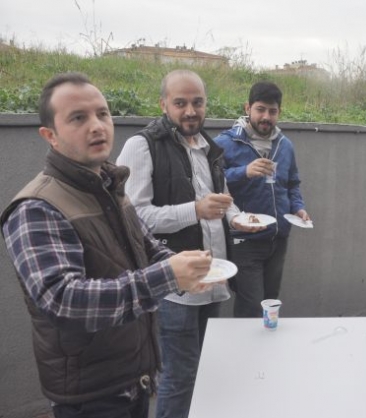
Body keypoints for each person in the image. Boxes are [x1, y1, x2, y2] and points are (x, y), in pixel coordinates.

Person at [0, 72, 213, 418]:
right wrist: (167, 276)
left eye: (102, 114)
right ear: (50, 136)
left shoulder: (109, 184)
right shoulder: (36, 208)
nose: (97, 126)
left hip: (134, 376)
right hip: (90, 395)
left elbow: (146, 247)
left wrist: (187, 268)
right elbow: (64, 301)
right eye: (78, 118)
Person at [116, 69, 261, 418]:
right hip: (174, 286)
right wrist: (195, 210)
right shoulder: (142, 146)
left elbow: (222, 197)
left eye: (197, 102)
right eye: (180, 103)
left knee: (202, 370)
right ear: (163, 104)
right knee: (179, 378)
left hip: (213, 276)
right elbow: (134, 218)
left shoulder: (209, 146)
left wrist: (236, 218)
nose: (190, 111)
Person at [214, 81, 310, 318]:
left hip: (277, 239)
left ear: (279, 112)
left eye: (272, 111)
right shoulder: (224, 143)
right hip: (245, 240)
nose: (266, 117)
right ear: (248, 108)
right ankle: (245, 343)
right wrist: (244, 172)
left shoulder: (285, 145)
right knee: (251, 308)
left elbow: (292, 184)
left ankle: (266, 342)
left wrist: (298, 208)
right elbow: (210, 183)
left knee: (270, 304)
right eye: (260, 109)